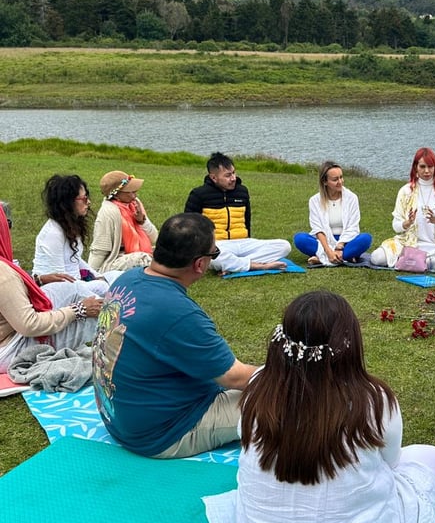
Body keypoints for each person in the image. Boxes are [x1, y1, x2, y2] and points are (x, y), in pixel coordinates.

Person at [204, 290, 435, 523]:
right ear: (349, 345)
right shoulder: (375, 401)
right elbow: (391, 465)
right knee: (431, 457)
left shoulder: (258, 386)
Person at [92, 213, 257, 458]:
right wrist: (299, 375)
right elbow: (235, 377)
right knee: (287, 399)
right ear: (200, 264)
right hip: (162, 433)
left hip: (119, 417)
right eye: (215, 254)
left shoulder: (127, 279)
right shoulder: (177, 312)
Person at [0, 204, 101, 372]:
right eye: (7, 224)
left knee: (69, 289)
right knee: (87, 307)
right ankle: (117, 343)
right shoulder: (3, 274)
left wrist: (38, 280)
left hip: (7, 336)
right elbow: (29, 325)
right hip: (8, 348)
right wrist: (79, 310)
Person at [184, 152, 290, 274]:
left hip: (243, 242)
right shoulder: (198, 194)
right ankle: (258, 265)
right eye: (228, 175)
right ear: (214, 177)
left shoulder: (242, 192)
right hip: (218, 245)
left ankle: (234, 265)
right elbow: (189, 226)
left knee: (284, 246)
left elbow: (247, 220)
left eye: (234, 173)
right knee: (214, 257)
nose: (233, 178)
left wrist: (248, 239)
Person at [370, 147, 435, 271]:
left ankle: (417, 262)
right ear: (415, 168)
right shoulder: (405, 191)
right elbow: (396, 227)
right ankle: (414, 261)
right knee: (377, 258)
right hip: (409, 243)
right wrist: (407, 223)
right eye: (422, 167)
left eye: (430, 167)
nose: (427, 171)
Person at [33, 174, 119, 298]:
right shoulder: (53, 233)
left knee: (117, 276)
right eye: (84, 199)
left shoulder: (70, 226)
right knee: (104, 287)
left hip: (76, 283)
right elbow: (61, 279)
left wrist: (98, 276)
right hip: (56, 291)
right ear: (68, 202)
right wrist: (97, 283)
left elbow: (76, 259)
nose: (88, 202)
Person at [293, 161, 372, 265]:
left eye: (341, 177)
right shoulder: (314, 200)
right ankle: (343, 257)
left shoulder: (352, 198)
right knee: (300, 238)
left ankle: (322, 258)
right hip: (324, 242)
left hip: (346, 242)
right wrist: (328, 250)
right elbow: (318, 229)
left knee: (366, 239)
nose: (340, 181)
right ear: (325, 182)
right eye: (335, 179)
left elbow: (353, 227)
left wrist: (340, 246)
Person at [89, 171, 158, 273]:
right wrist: (91, 274)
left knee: (167, 251)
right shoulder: (108, 213)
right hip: (113, 261)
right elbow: (99, 250)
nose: (135, 195)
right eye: (131, 192)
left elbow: (154, 237)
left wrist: (142, 221)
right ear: (116, 194)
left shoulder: (134, 204)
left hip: (137, 252)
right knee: (143, 259)